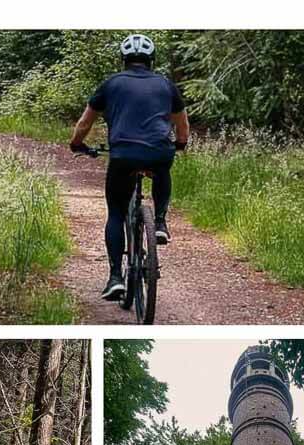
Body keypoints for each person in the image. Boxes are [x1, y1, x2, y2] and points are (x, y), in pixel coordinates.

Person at [69, 33, 190, 301]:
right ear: (151, 60)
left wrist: (77, 144)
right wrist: (180, 143)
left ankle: (115, 278)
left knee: (115, 212)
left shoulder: (111, 84)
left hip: (123, 155)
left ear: (123, 59)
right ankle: (159, 222)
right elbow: (182, 125)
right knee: (162, 167)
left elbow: (85, 123)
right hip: (158, 152)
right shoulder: (166, 85)